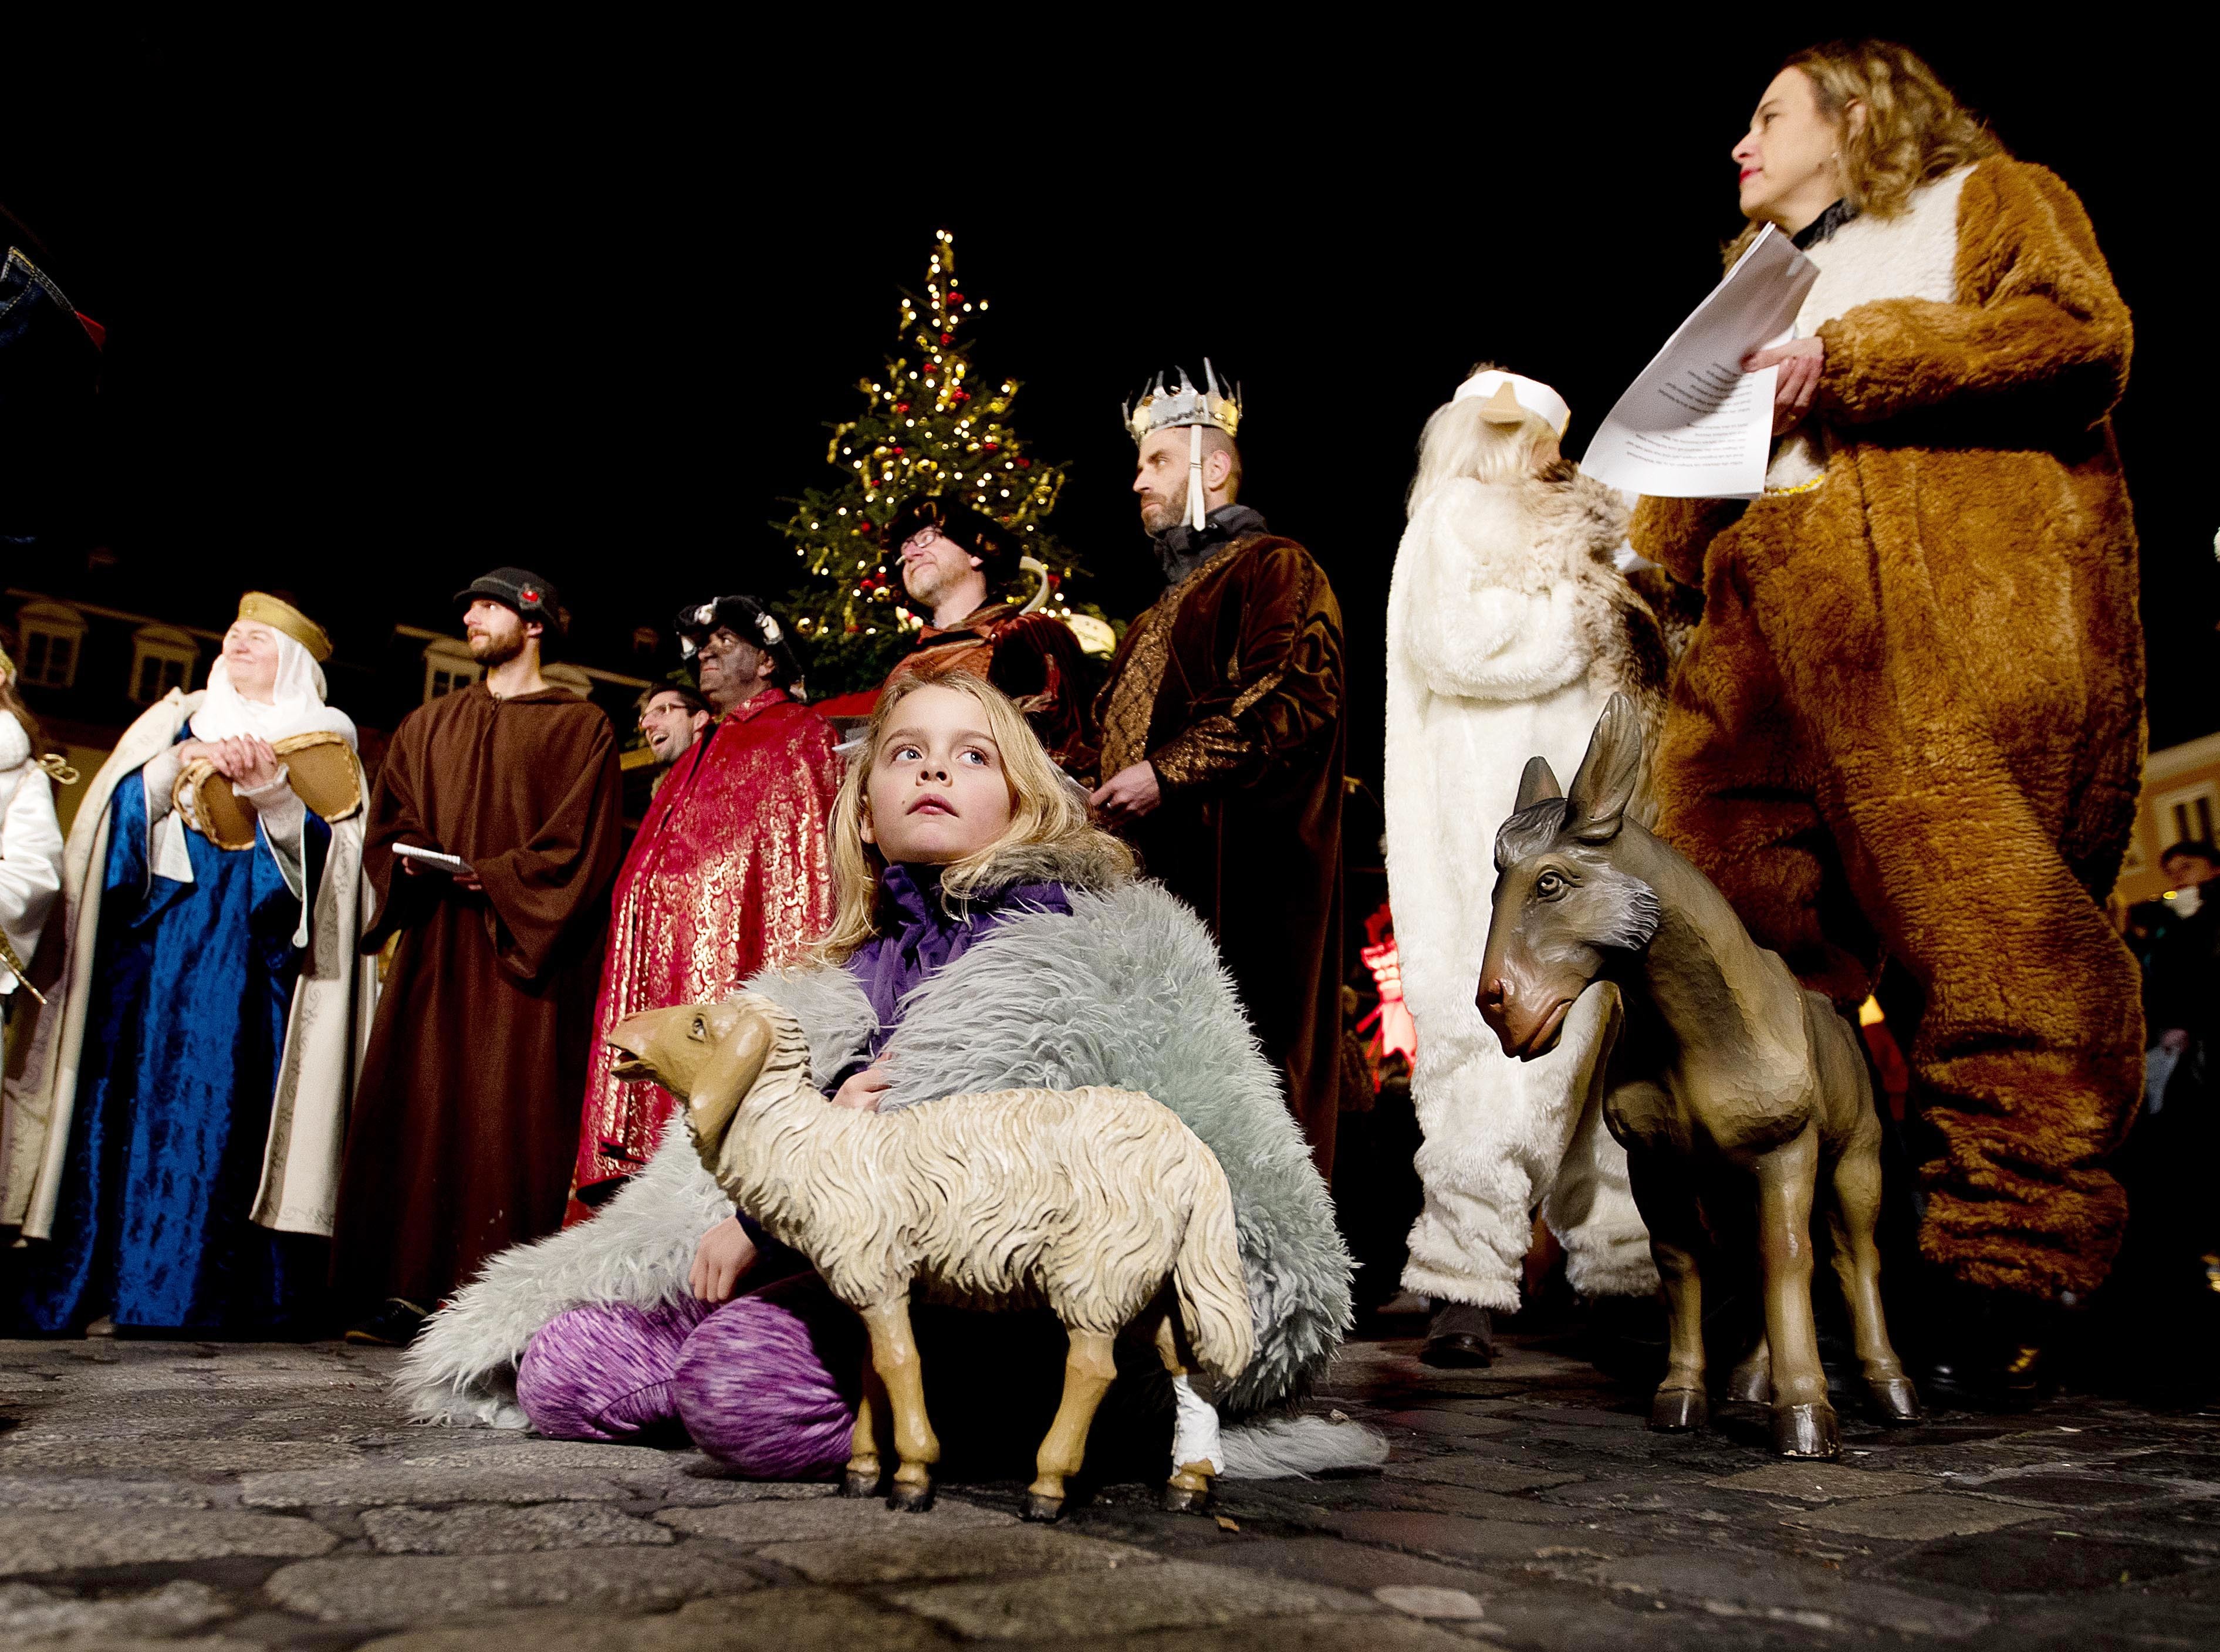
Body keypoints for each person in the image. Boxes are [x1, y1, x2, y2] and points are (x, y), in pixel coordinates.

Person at [396, 674, 1361, 1494]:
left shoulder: (1102, 950)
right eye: (906, 754)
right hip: (830, 1273)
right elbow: (735, 1159)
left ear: (1025, 802)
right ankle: (730, 1371)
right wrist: (799, 1152)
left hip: (1001, 1303)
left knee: (740, 1380)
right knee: (563, 1364)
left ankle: (958, 1416)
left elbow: (1058, 1153)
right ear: (863, 811)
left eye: (974, 757)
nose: (935, 768)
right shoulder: (832, 978)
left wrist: (806, 1190)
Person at [1629, 40, 2143, 1400]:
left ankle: (2012, 1260)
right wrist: (1646, 525)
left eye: (1767, 116)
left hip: (1926, 608)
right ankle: (1785, 1256)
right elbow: (1687, 492)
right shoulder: (1746, 284)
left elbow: (2075, 337)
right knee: (1722, 926)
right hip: (1763, 631)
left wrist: (1850, 357)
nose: (1739, 144)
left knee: (1981, 932)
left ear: (1852, 117)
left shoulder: (1985, 197)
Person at [1384, 369, 1667, 1366]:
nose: (1546, 454)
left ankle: (1621, 1266)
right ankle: (1465, 1273)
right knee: (1502, 1043)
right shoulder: (1456, 514)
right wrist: (1585, 608)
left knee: (1600, 1042)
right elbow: (1461, 647)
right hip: (1489, 822)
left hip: (1585, 817)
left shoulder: (1581, 533)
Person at [3, 595, 372, 1333]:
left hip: (252, 977)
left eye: (259, 638)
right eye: (234, 631)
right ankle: (109, 1282)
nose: (237, 640)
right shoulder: (172, 722)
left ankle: (207, 1293)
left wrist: (273, 799)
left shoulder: (327, 749)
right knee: (122, 1110)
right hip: (150, 956)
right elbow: (107, 841)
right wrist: (162, 773)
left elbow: (330, 896)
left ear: (292, 663)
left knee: (230, 1118)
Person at [332, 568, 624, 1345]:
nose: (470, 615)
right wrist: (406, 856)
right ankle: (404, 1288)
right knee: (424, 1105)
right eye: (467, 604)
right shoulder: (428, 723)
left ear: (533, 624)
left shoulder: (580, 725)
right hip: (436, 946)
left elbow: (580, 847)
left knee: (504, 1114)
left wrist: (492, 874)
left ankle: (498, 1299)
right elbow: (389, 821)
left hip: (521, 956)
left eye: (488, 605)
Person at [1090, 365, 1347, 1178]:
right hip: (1150, 896)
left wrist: (1162, 773)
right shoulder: (1150, 615)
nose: (1136, 481)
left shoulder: (1274, 566)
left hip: (1246, 882)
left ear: (1211, 468)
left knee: (1250, 1075)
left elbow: (1295, 688)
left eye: (1155, 462)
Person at [567, 596, 841, 1210]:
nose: (706, 652)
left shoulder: (798, 737)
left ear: (767, 662)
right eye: (703, 643)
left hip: (720, 980)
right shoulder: (698, 752)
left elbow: (805, 884)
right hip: (661, 975)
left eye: (725, 639)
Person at [878, 496, 1096, 772]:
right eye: (904, 548)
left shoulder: (1025, 634)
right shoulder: (905, 667)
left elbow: (1060, 759)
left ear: (976, 551)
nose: (910, 554)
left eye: (927, 538)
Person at [636, 682, 711, 789]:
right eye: (643, 719)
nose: (645, 725)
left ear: (700, 720)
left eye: (663, 710)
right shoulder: (663, 797)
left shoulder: (729, 772)